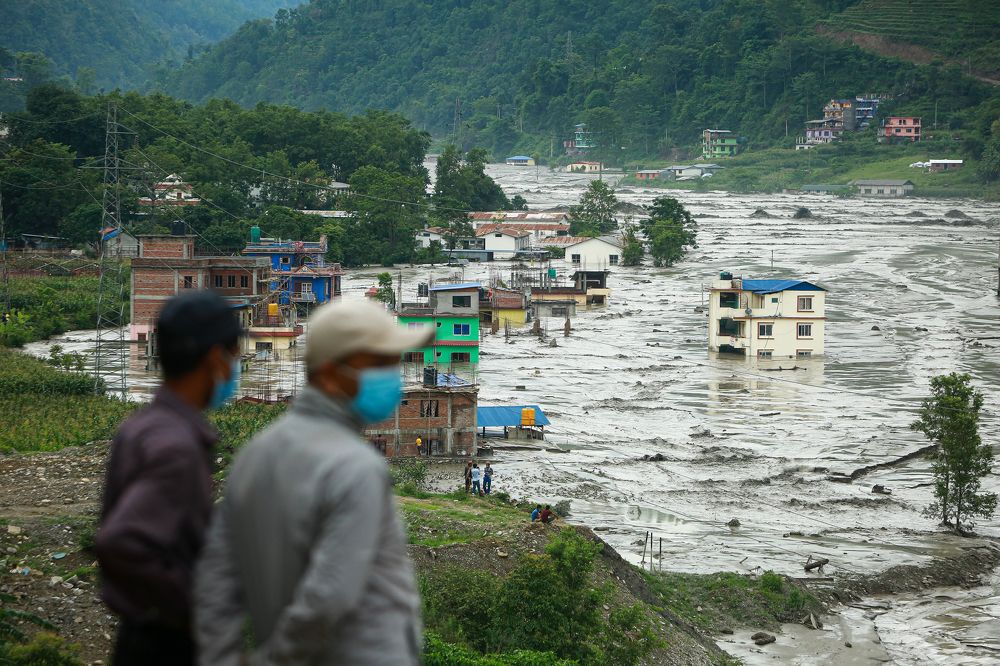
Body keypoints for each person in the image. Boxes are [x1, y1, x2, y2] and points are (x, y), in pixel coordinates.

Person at [196, 299, 433, 666]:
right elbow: (329, 596)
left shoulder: (254, 455)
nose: (393, 375)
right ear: (327, 373)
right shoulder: (356, 466)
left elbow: (214, 583)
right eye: (379, 364)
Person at [95, 290, 242, 666]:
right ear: (215, 359)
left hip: (140, 635)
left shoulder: (142, 425)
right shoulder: (176, 449)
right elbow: (123, 542)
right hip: (166, 646)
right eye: (235, 355)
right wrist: (195, 609)